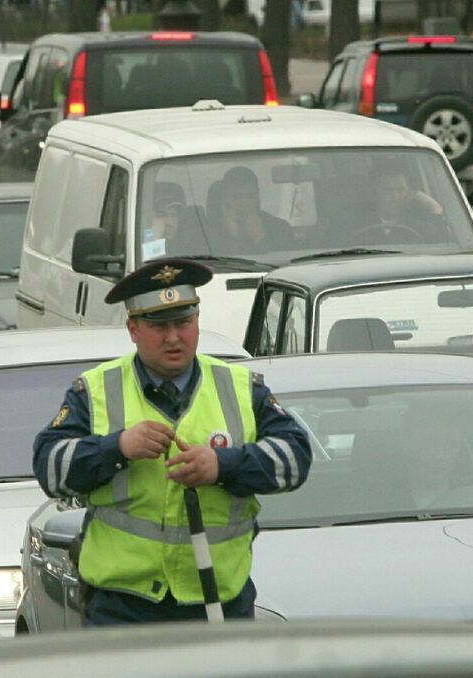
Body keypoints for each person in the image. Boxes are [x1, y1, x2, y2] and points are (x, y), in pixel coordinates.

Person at [33, 259, 312, 625]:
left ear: (197, 321)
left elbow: (295, 459)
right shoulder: (97, 390)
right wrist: (116, 448)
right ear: (132, 328)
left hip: (218, 601)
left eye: (183, 323)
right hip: (123, 607)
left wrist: (222, 465)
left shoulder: (241, 387)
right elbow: (50, 468)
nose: (174, 337)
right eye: (158, 326)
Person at [212, 166, 293, 249]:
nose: (243, 203)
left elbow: (284, 259)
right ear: (225, 198)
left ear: (257, 196)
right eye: (236, 197)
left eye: (249, 196)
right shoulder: (209, 233)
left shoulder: (280, 228)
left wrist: (260, 239)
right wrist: (231, 235)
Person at [367, 164, 445, 241]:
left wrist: (434, 206)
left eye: (400, 189)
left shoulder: (420, 227)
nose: (395, 197)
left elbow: (444, 241)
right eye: (387, 190)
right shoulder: (357, 223)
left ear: (409, 192)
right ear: (373, 192)